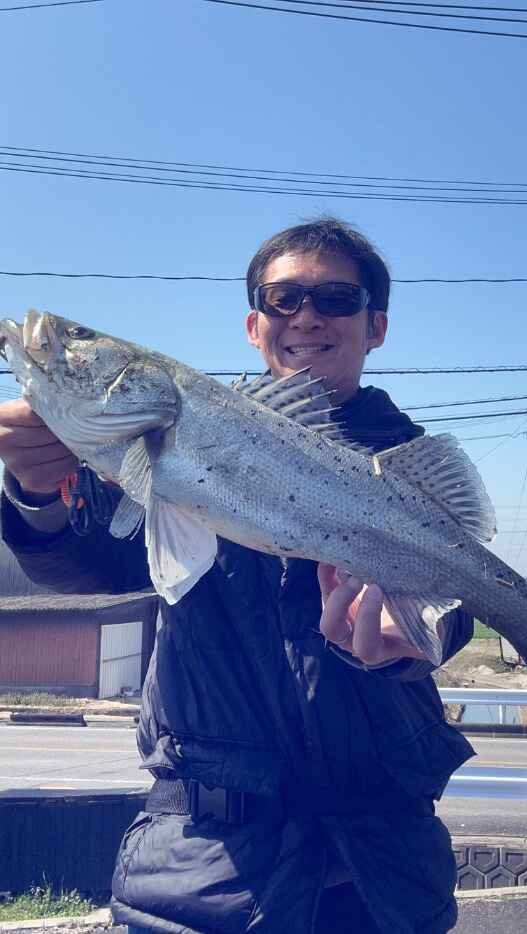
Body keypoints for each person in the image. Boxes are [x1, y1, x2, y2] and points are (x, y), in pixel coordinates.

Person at [0, 218, 476, 934]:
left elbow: (456, 600)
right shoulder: (170, 442)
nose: (306, 316)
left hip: (383, 874)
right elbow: (86, 559)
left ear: (375, 326)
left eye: (335, 298)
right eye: (282, 299)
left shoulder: (409, 463)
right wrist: (36, 495)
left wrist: (418, 637)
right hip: (199, 868)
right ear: (255, 325)